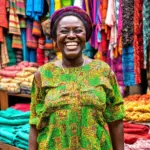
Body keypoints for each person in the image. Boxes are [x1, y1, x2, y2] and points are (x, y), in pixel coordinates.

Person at [29, 6, 125, 150]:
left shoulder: (103, 71)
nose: (71, 35)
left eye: (78, 30)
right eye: (64, 31)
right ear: (55, 37)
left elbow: (116, 119)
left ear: (86, 35)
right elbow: (35, 123)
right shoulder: (43, 74)